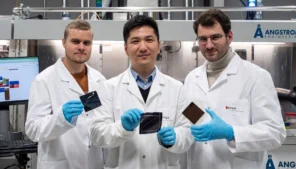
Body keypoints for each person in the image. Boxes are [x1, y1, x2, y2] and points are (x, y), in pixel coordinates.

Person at [183, 9, 286, 169]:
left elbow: (275, 133)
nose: (209, 45)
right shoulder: (191, 79)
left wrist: (231, 133)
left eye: (215, 37)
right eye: (203, 39)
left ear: (229, 37)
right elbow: (190, 120)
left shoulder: (256, 77)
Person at [91, 15, 193, 169]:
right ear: (125, 48)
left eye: (149, 40)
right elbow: (96, 134)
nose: (143, 47)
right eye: (135, 41)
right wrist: (122, 128)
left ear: (159, 45)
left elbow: (189, 131)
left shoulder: (178, 88)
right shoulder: (107, 88)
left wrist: (174, 139)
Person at [25, 20, 106, 169]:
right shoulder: (44, 80)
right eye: (75, 41)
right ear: (63, 42)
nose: (81, 47)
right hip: (61, 163)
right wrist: (60, 118)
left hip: (93, 163)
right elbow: (32, 129)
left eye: (86, 43)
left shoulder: (99, 80)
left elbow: (101, 121)